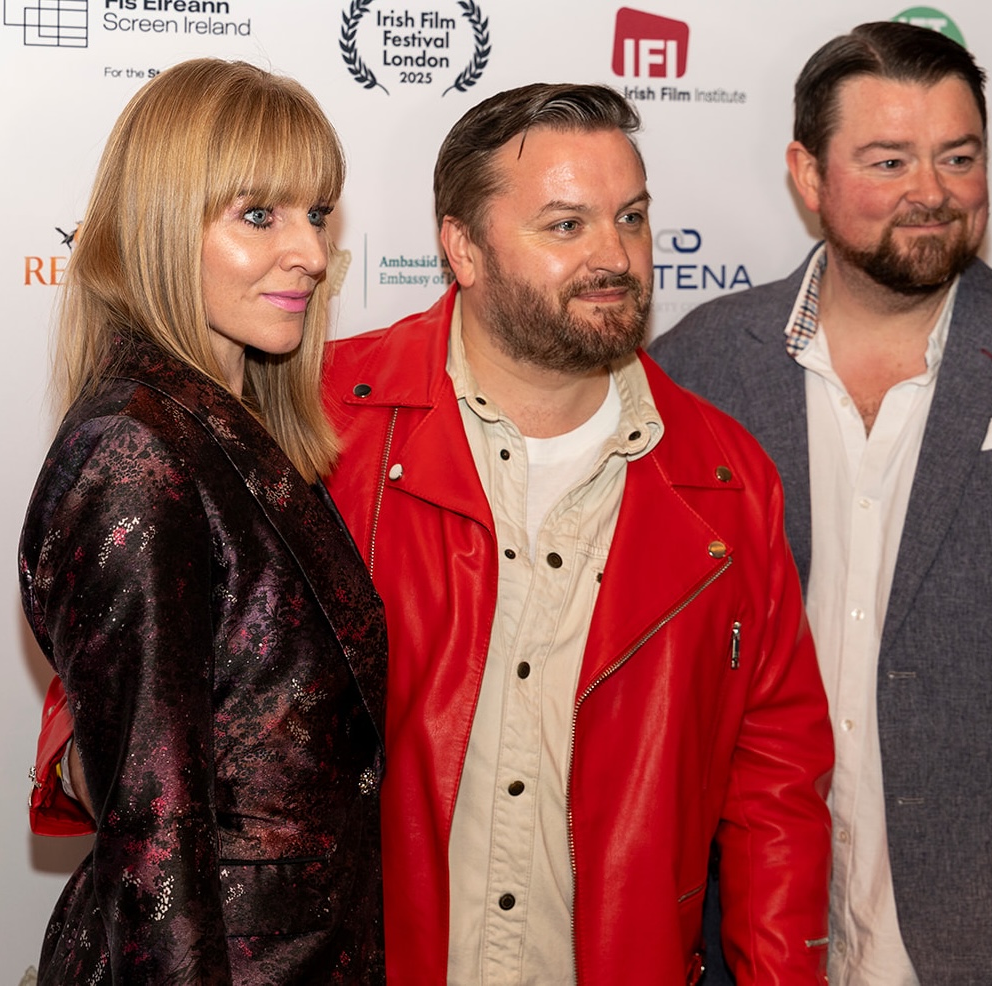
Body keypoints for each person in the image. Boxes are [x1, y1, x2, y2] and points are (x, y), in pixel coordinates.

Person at [650, 20, 992, 986]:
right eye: (888, 160)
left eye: (958, 157)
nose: (932, 191)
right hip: (747, 945)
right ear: (807, 173)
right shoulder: (694, 371)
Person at [321, 83, 833, 984]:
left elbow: (776, 786)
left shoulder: (725, 479)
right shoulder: (326, 426)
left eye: (630, 217)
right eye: (566, 225)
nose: (615, 256)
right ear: (462, 249)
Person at [20, 59, 387, 983]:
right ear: (161, 227)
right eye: (258, 215)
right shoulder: (136, 455)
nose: (310, 253)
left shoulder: (228, 432)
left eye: (316, 213)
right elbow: (154, 841)